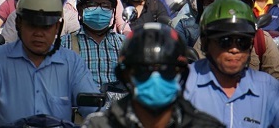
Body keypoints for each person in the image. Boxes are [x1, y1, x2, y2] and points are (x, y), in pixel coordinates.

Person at [0, 0, 99, 128]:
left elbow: (94, 109)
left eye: (46, 27)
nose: (39, 33)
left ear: (57, 27)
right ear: (19, 24)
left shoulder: (72, 62)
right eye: (32, 25)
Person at [82, 23, 223, 128]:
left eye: (166, 70)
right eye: (144, 70)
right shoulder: (99, 125)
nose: (155, 79)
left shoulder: (205, 126)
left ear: (181, 75)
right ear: (126, 76)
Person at [184, 0, 279, 127]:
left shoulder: (268, 88)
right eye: (225, 41)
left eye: (242, 42)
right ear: (206, 44)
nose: (234, 49)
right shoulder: (184, 84)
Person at [61, 0, 124, 88]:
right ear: (80, 10)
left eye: (105, 5)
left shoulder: (125, 45)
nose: (99, 10)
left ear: (112, 10)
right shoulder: (64, 45)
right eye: (92, 4)